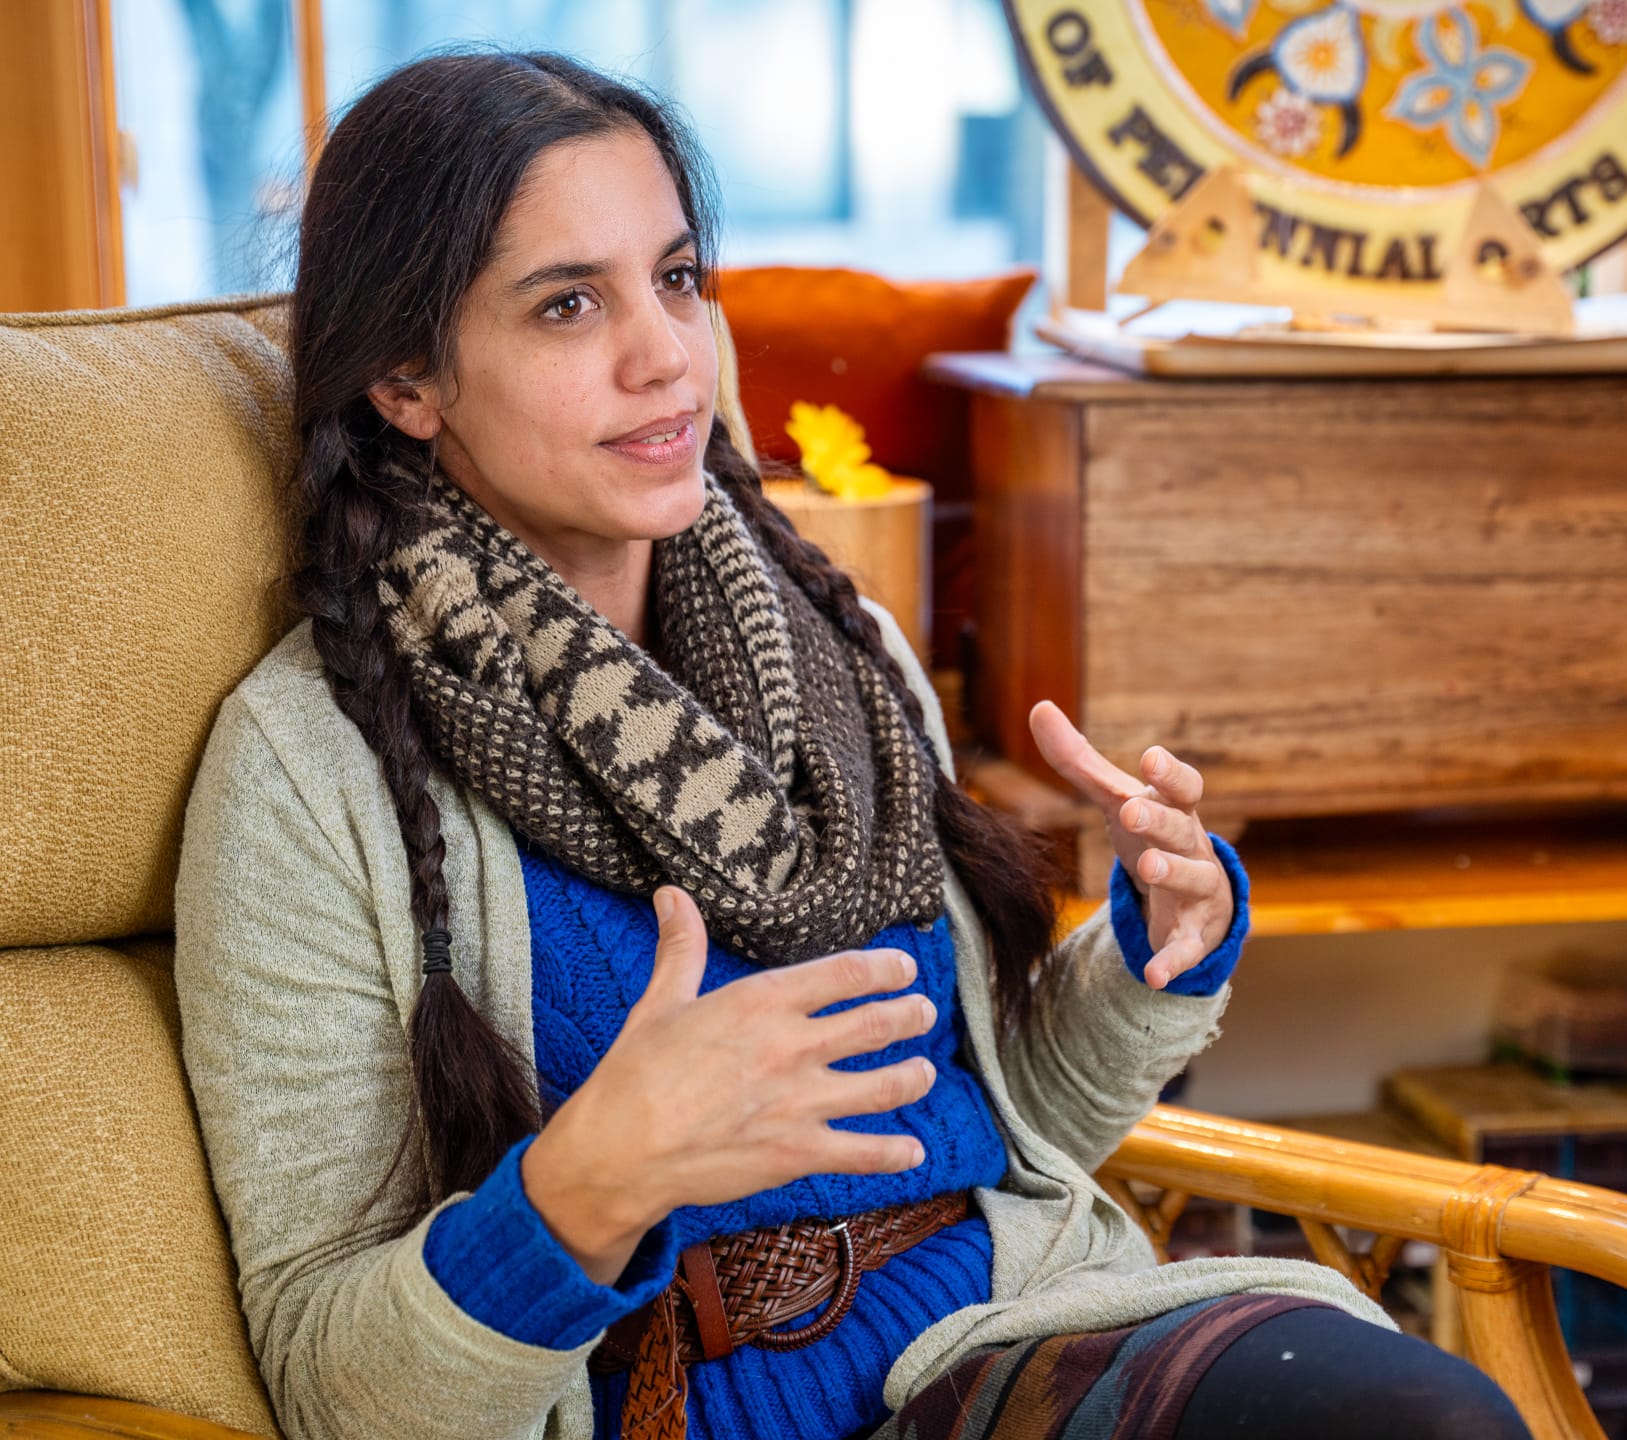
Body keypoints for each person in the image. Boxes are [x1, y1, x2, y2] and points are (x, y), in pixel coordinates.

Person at [173, 48, 1530, 1440]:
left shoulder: (841, 650)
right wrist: (586, 1182)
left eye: (680, 278)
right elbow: (332, 1386)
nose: (667, 355)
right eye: (569, 304)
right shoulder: (308, 771)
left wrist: (1148, 955)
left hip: (1002, 1340)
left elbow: (994, 1138)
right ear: (409, 382)